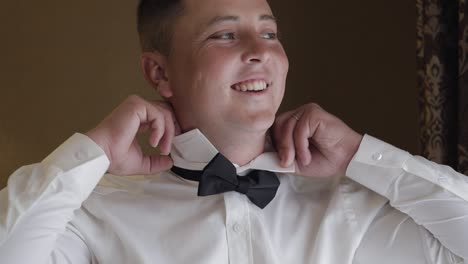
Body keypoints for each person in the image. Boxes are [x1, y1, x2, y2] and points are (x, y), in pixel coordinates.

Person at [1, 0, 467, 263]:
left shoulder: (347, 207)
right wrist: (97, 149)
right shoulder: (99, 213)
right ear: (159, 73)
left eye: (269, 33)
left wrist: (357, 154)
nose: (259, 51)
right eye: (225, 35)